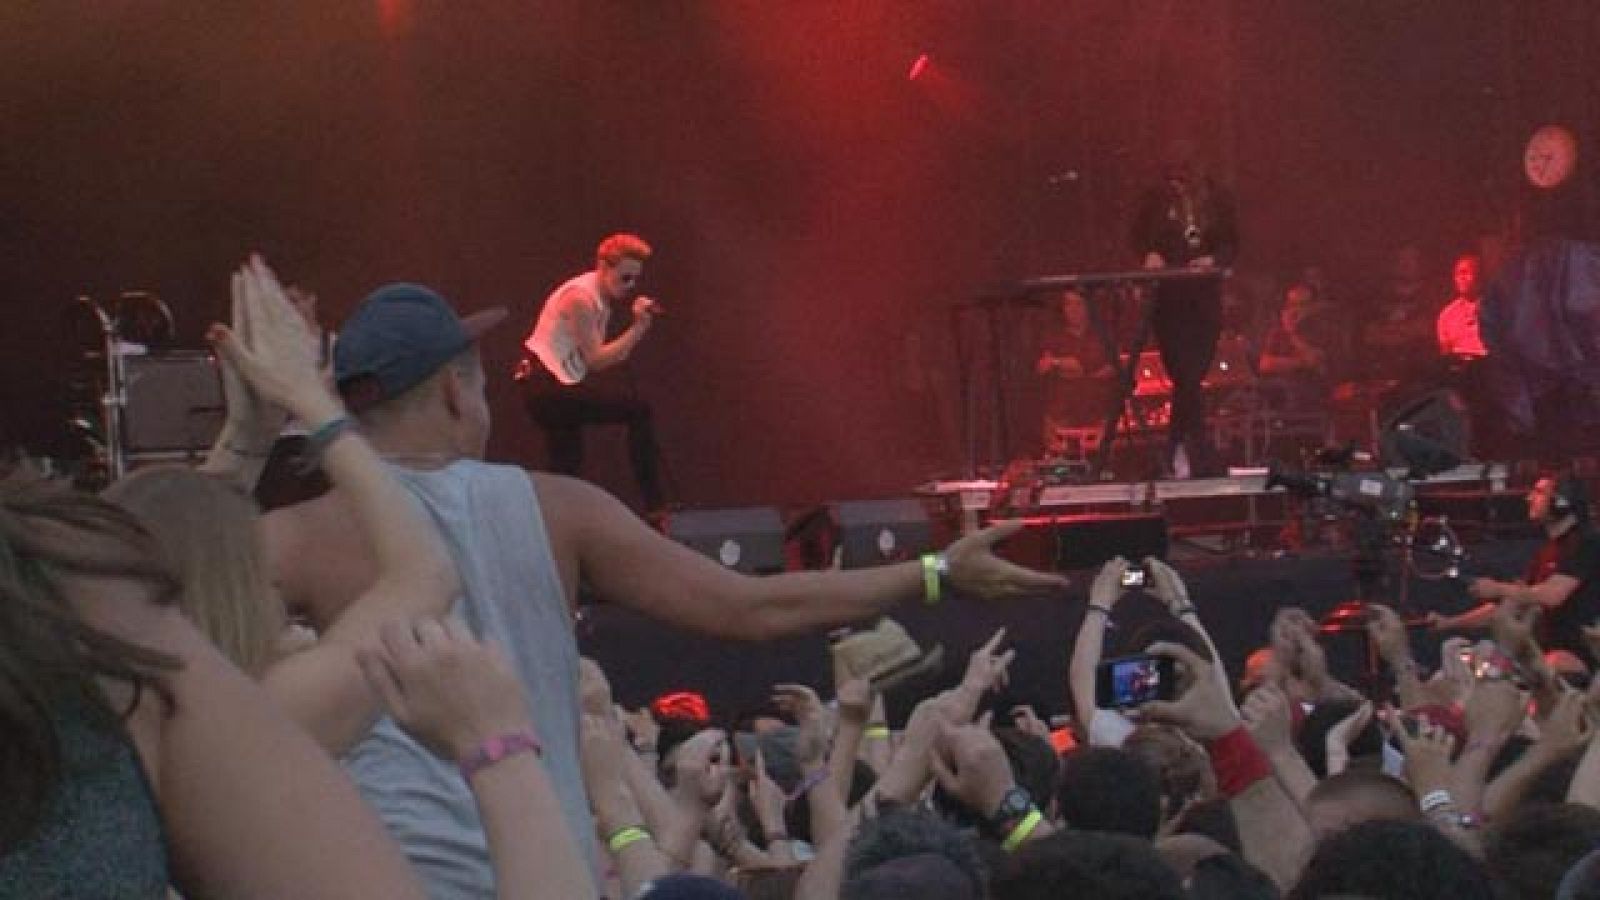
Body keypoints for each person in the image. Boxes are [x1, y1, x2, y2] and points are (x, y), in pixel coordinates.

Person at [261, 280, 1065, 896]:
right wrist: (934, 572)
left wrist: (244, 443)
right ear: (452, 391)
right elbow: (751, 607)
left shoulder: (294, 538)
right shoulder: (556, 511)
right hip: (542, 871)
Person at [0, 473, 428, 898]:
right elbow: (425, 573)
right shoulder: (274, 705)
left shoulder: (124, 688)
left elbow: (180, 519)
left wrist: (245, 439)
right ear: (242, 587)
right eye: (268, 577)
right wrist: (326, 420)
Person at [518, 233, 666, 512]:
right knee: (638, 411)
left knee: (566, 465)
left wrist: (637, 330)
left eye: (635, 279)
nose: (630, 286)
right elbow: (597, 360)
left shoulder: (598, 297)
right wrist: (638, 328)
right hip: (544, 385)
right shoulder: (580, 298)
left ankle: (552, 522)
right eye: (625, 278)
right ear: (603, 267)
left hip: (555, 384)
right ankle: (655, 505)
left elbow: (611, 357)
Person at [1131, 141, 1239, 478]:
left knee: (1193, 376)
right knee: (1184, 374)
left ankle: (1178, 448)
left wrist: (1214, 260)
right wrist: (1149, 255)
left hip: (1204, 296)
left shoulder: (1217, 198)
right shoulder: (1154, 200)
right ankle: (1198, 449)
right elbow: (1137, 238)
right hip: (1169, 298)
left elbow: (1232, 242)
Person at [1432, 473, 1600, 663]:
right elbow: (1515, 602)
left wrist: (1497, 588)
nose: (1529, 498)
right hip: (1546, 654)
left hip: (1581, 656)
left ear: (1561, 502)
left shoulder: (1587, 543)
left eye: (1539, 493)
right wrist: (1448, 623)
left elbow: (1553, 595)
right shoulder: (1545, 552)